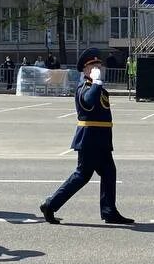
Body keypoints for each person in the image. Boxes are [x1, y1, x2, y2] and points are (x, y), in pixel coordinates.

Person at [39, 47, 134, 226]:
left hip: (101, 139)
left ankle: (109, 211)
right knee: (82, 175)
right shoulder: (85, 87)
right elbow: (88, 103)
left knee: (108, 172)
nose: (98, 67)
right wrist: (96, 82)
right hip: (89, 140)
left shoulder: (98, 88)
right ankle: (50, 204)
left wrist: (98, 84)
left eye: (99, 64)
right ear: (85, 70)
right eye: (94, 65)